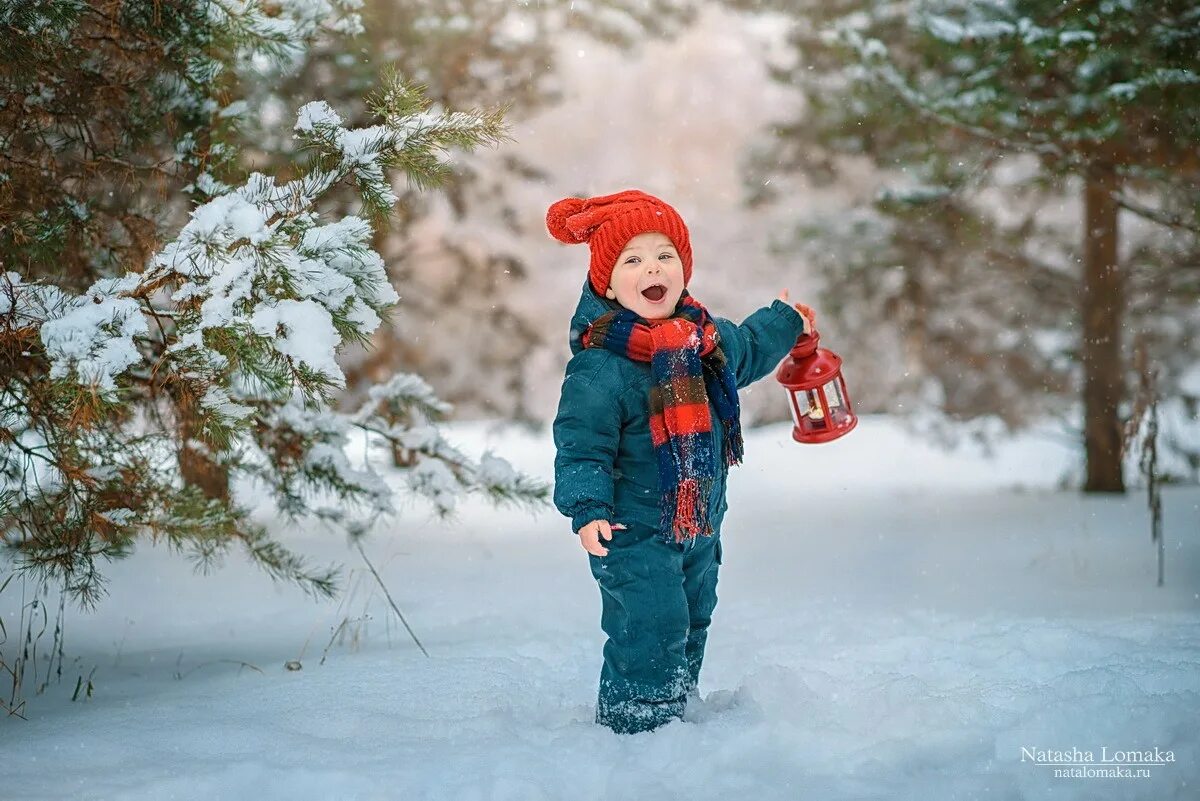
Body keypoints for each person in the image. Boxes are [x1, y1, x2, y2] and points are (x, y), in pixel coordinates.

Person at [546, 189, 816, 734]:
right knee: (649, 622)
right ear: (608, 282)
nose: (653, 268)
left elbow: (751, 345)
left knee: (693, 615)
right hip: (632, 527)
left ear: (683, 271)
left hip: (697, 522)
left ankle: (677, 705)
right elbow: (581, 443)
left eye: (665, 255)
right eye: (634, 260)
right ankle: (637, 726)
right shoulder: (601, 367)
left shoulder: (705, 344)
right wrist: (588, 507)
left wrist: (787, 320)